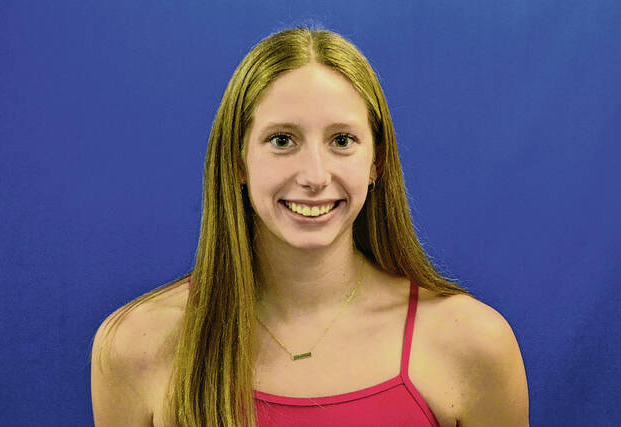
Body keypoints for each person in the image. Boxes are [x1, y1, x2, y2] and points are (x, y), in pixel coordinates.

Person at [91, 26, 529, 427]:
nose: (315, 176)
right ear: (238, 161)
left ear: (376, 162)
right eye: (282, 140)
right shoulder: (134, 345)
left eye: (342, 140)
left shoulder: (473, 344)